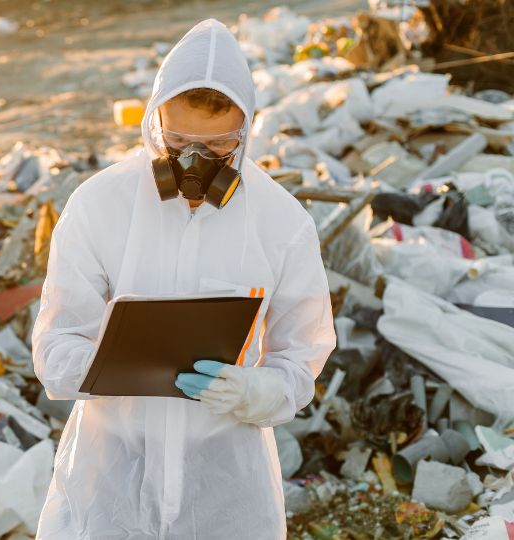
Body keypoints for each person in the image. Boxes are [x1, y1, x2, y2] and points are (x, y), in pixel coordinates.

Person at [31, 18, 336, 539]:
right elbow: (54, 350)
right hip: (107, 487)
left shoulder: (281, 222)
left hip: (226, 495)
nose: (194, 160)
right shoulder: (100, 205)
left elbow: (300, 360)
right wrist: (116, 364)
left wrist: (250, 390)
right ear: (154, 121)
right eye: (178, 139)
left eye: (217, 146)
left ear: (245, 131)